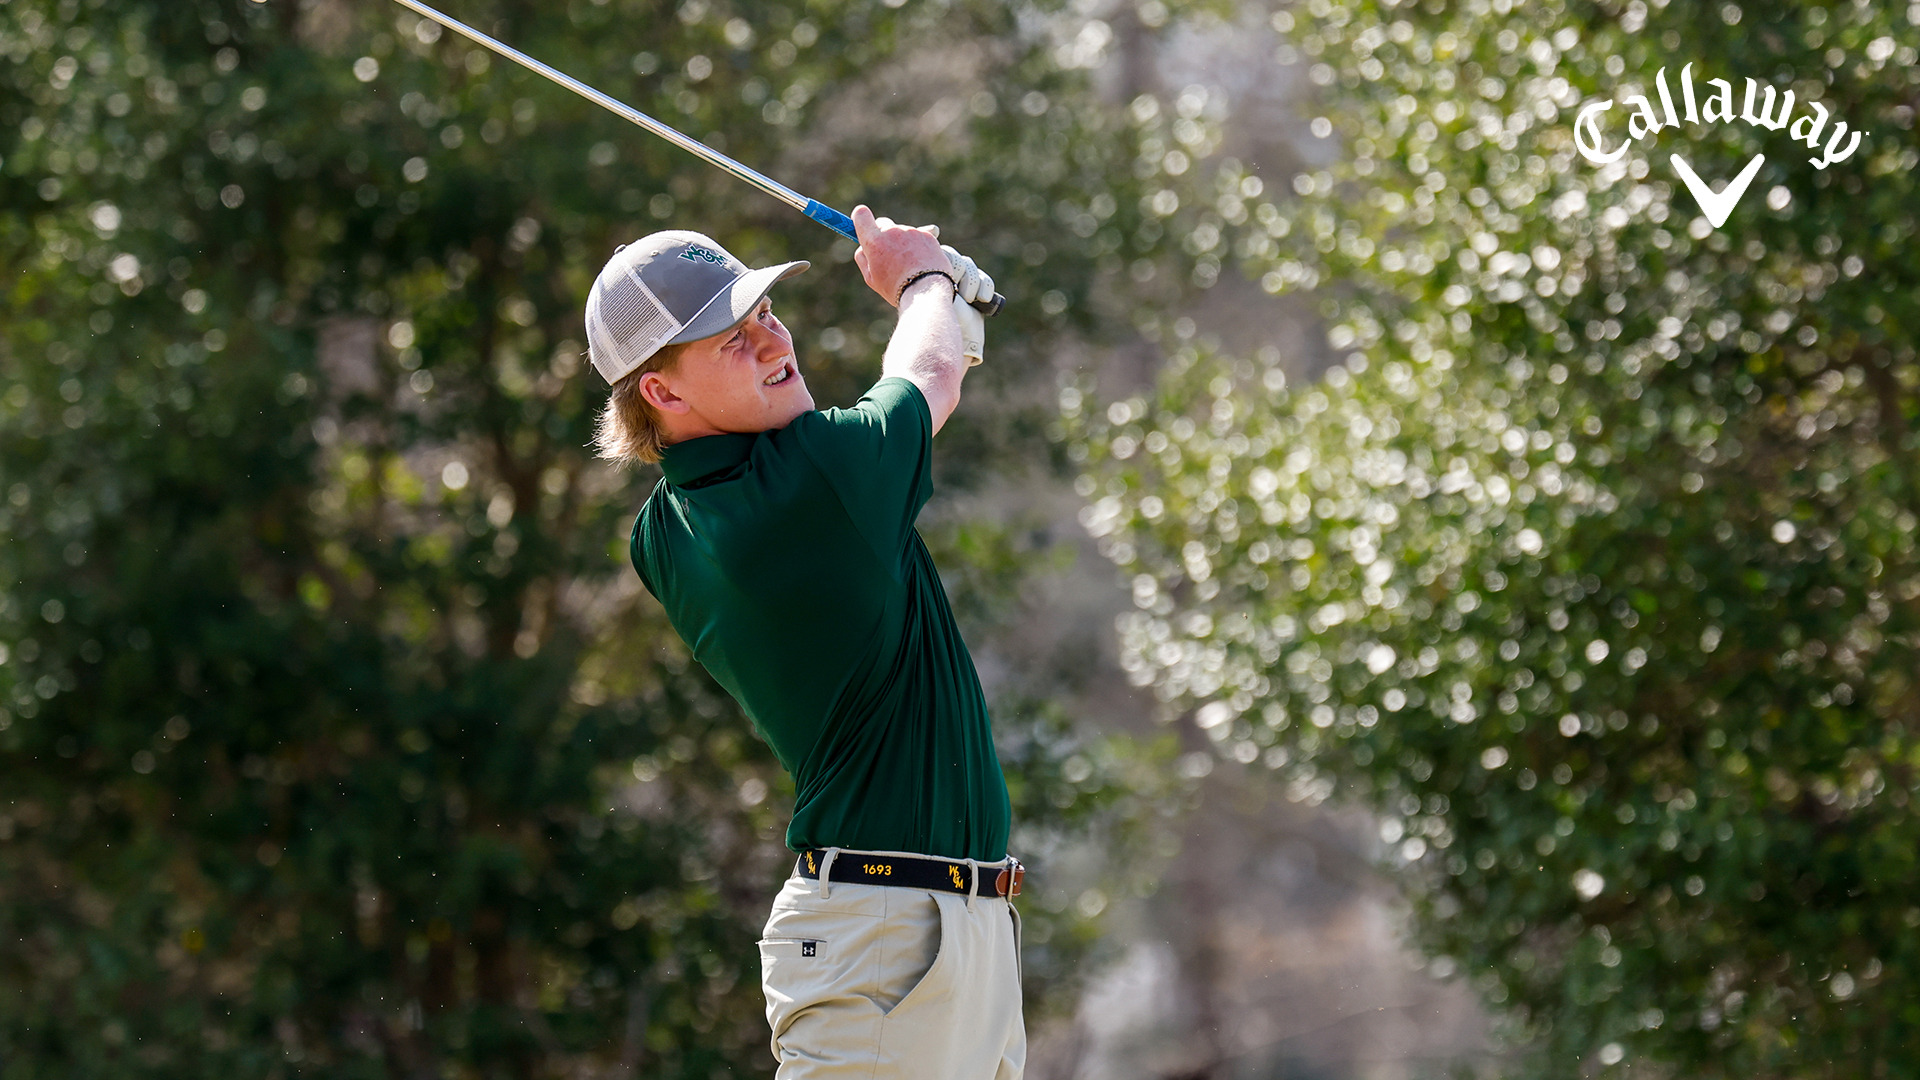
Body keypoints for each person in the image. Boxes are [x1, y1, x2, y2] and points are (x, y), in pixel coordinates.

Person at [585, 205, 1025, 1080]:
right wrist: (923, 281)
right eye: (731, 341)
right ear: (661, 394)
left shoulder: (666, 531)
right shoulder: (805, 490)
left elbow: (924, 371)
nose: (772, 340)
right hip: (888, 938)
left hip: (941, 933)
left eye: (762, 314)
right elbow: (927, 374)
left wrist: (940, 309)